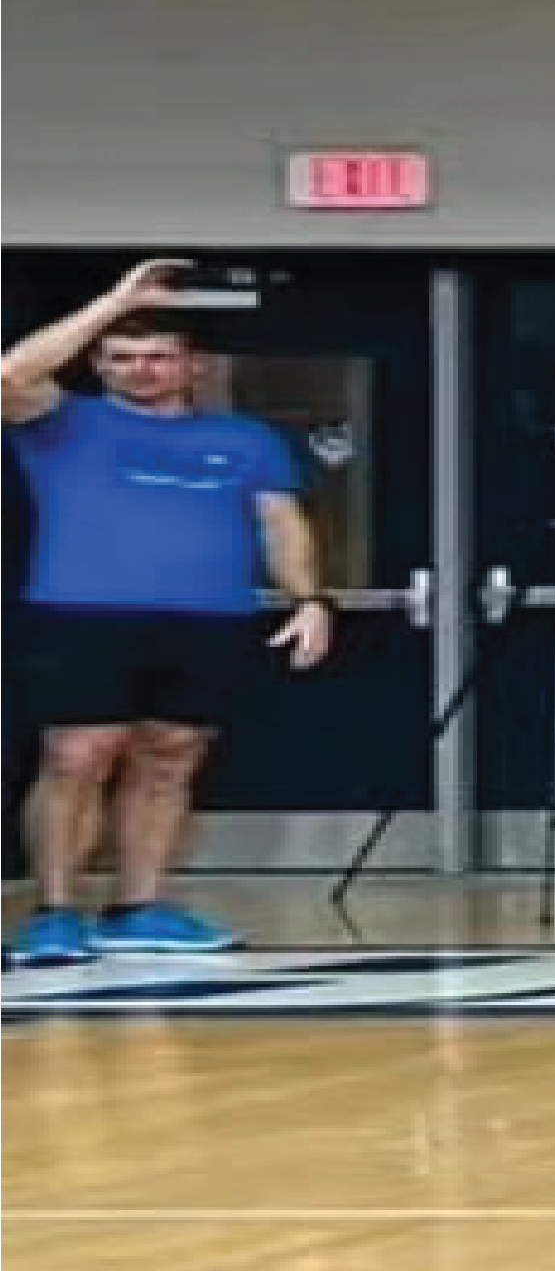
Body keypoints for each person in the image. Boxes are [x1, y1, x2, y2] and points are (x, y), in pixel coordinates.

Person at [3, 259, 333, 964]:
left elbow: (281, 521)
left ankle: (139, 906)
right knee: (76, 755)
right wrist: (112, 302)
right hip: (83, 611)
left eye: (157, 357)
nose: (140, 370)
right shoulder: (63, 423)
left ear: (191, 366)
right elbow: (8, 378)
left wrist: (309, 598)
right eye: (121, 359)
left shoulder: (246, 439)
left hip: (206, 617)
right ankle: (56, 911)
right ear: (98, 365)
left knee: (171, 757)